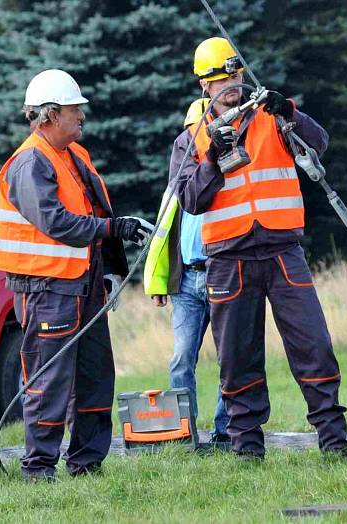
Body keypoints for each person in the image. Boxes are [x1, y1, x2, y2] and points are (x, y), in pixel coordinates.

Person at [176, 37, 347, 460]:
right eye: (219, 80)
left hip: (282, 251)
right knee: (237, 359)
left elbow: (319, 143)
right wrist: (213, 160)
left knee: (314, 347)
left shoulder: (270, 116)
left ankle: (334, 443)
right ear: (204, 86)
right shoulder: (191, 140)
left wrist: (289, 110)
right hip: (228, 260)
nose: (230, 86)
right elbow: (190, 200)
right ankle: (247, 450)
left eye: (234, 76)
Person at [0, 69, 151, 481]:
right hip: (46, 290)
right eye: (73, 108)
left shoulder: (73, 155)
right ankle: (39, 469)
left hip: (83, 286)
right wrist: (113, 229)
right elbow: (58, 222)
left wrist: (110, 266)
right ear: (49, 115)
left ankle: (87, 465)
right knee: (49, 382)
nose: (81, 114)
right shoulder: (29, 163)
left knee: (96, 377)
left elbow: (93, 212)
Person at [143, 97, 229, 448]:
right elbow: (162, 238)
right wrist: (157, 282)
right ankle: (183, 435)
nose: (194, 141)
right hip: (186, 281)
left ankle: (225, 432)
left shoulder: (225, 178)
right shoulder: (177, 185)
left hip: (221, 274)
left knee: (230, 358)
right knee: (181, 359)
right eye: (191, 135)